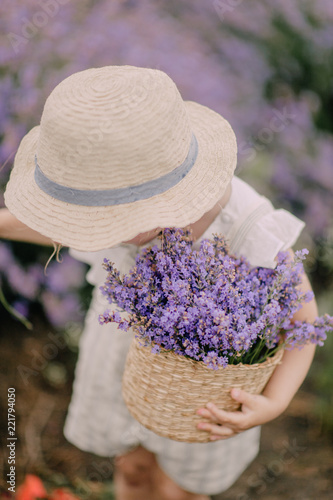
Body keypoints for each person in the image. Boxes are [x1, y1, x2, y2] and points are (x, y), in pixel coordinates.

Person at [1, 65, 318, 500]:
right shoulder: (107, 209)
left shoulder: (245, 227)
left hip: (204, 384)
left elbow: (304, 322)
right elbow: (54, 225)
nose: (106, 231)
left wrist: (276, 401)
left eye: (116, 219)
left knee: (184, 489)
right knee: (131, 467)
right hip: (121, 358)